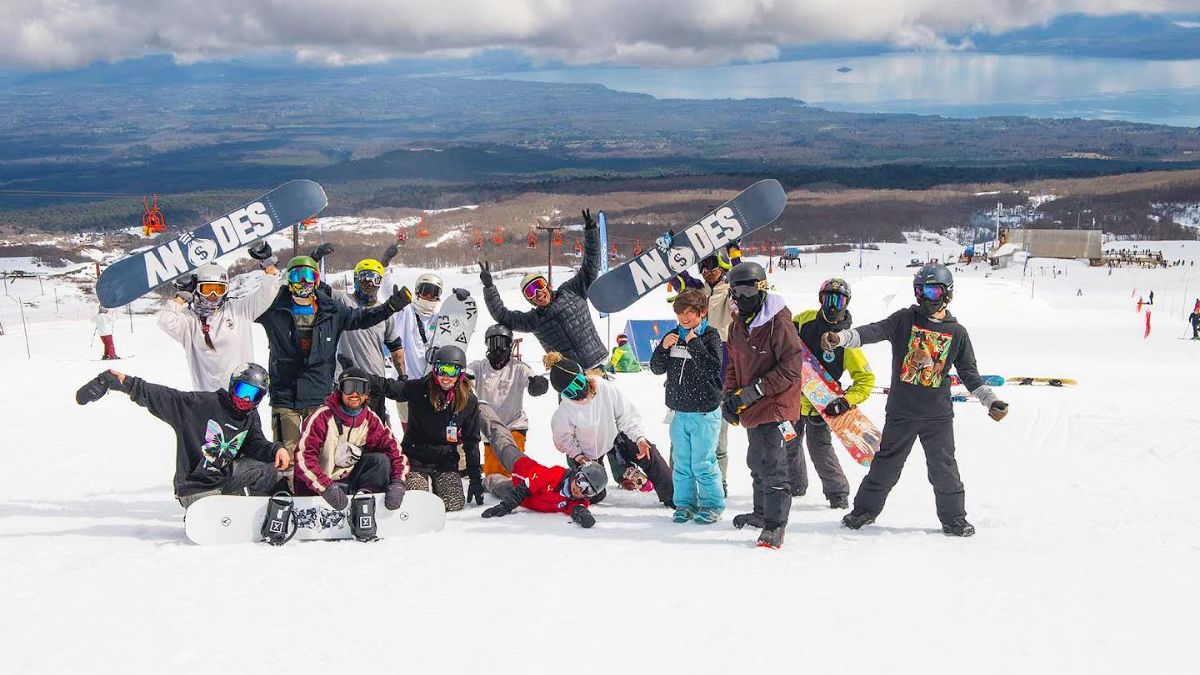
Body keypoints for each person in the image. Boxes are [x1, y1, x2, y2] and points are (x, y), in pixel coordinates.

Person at [822, 264, 1009, 537]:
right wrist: (840, 338)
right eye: (920, 291)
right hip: (902, 412)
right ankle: (864, 510)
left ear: (947, 293)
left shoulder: (957, 333)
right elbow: (873, 331)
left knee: (943, 468)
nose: (925, 298)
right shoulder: (905, 320)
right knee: (886, 466)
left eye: (932, 291)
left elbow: (970, 374)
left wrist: (990, 401)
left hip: (937, 416)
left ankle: (954, 518)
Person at [257, 252, 411, 462]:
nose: (303, 282)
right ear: (288, 280)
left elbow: (363, 317)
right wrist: (268, 269)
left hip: (318, 392)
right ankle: (288, 491)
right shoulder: (274, 307)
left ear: (316, 280)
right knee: (288, 457)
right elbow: (246, 307)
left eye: (308, 277)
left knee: (322, 455)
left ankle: (323, 492)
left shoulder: (331, 310)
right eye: (297, 277)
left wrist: (390, 307)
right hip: (285, 392)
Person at [75, 363, 290, 508]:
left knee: (268, 466)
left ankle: (262, 503)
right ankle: (232, 505)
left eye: (254, 395)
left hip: (223, 479)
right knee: (217, 501)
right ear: (233, 386)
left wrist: (275, 449)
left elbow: (255, 443)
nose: (246, 399)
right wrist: (121, 382)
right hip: (195, 488)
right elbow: (161, 396)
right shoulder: (199, 405)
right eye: (243, 391)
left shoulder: (250, 416)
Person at [721, 261, 804, 549]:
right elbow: (734, 363)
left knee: (773, 466)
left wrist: (754, 390)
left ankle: (775, 524)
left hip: (777, 407)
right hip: (754, 407)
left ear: (761, 288)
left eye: (748, 289)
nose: (742, 297)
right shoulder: (737, 326)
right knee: (757, 461)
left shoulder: (778, 323)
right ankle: (761, 512)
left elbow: (793, 367)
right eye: (736, 291)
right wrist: (730, 395)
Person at [479, 209, 607, 370]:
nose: (537, 293)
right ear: (529, 299)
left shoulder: (571, 291)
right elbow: (502, 315)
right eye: (530, 292)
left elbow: (590, 265)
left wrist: (591, 232)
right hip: (568, 375)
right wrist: (489, 287)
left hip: (596, 364)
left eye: (538, 286)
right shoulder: (533, 321)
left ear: (547, 286)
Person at [546, 352, 674, 508]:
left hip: (613, 439)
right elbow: (563, 438)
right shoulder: (565, 410)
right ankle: (597, 479)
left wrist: (639, 439)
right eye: (569, 392)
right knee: (594, 494)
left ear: (584, 375)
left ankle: (672, 496)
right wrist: (580, 457)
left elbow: (626, 415)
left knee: (648, 451)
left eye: (578, 384)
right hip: (585, 453)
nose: (577, 394)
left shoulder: (604, 388)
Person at [789, 278, 875, 509]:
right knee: (788, 444)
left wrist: (845, 401)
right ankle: (794, 484)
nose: (832, 305)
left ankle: (837, 493)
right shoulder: (803, 320)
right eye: (828, 299)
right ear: (820, 299)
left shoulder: (847, 340)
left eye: (838, 300)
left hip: (823, 405)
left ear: (847, 303)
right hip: (793, 400)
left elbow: (866, 380)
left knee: (820, 450)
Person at [369, 345, 483, 512]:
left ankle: (441, 486)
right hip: (416, 458)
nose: (446, 377)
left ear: (460, 373)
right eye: (441, 370)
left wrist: (475, 479)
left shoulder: (468, 401)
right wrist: (361, 377)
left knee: (453, 505)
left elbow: (471, 441)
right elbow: (389, 387)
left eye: (452, 371)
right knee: (417, 503)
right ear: (434, 370)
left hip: (446, 461)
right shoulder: (419, 388)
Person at [157, 242, 280, 391]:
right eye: (208, 289)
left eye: (219, 289)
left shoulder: (238, 310)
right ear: (197, 289)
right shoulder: (190, 321)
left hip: (241, 396)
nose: (213, 295)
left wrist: (268, 263)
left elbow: (267, 293)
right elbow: (165, 321)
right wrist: (181, 297)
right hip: (207, 399)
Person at [649, 289, 725, 524]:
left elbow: (713, 369)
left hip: (704, 412)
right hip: (678, 412)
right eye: (680, 313)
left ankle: (712, 504)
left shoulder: (711, 336)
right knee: (681, 463)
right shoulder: (673, 335)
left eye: (690, 313)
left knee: (703, 462)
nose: (684, 318)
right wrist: (662, 347)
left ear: (702, 312)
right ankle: (684, 504)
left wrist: (693, 343)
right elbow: (656, 368)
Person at [293, 368, 409, 517]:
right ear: (340, 391)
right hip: (320, 486)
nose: (354, 394)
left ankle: (366, 507)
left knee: (381, 461)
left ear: (367, 394)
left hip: (348, 480)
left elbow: (394, 451)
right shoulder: (322, 417)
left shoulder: (370, 419)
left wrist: (398, 482)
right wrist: (326, 487)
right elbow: (303, 458)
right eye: (349, 387)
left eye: (360, 388)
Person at [667, 247, 737, 494]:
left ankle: (721, 482)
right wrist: (668, 253)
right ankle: (677, 486)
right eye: (705, 269)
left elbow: (747, 278)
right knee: (681, 438)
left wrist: (735, 251)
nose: (709, 273)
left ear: (724, 268)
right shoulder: (695, 290)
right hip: (690, 372)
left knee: (717, 436)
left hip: (721, 367)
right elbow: (676, 276)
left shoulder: (732, 290)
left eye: (714, 268)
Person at [477, 401, 604, 528]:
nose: (579, 489)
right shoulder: (555, 475)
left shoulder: (574, 500)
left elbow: (578, 509)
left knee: (496, 486)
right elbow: (524, 488)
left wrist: (584, 516)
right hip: (521, 467)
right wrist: (505, 506)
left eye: (587, 490)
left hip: (522, 494)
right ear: (577, 473)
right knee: (501, 441)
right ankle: (481, 408)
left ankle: (484, 482)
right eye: (581, 481)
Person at [468, 324, 549, 478]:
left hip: (514, 425)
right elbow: (468, 374)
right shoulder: (479, 367)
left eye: (502, 343)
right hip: (490, 429)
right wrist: (463, 378)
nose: (498, 349)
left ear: (510, 345)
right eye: (493, 343)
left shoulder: (518, 368)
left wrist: (537, 384)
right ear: (487, 345)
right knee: (493, 475)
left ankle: (520, 488)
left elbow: (530, 378)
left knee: (512, 468)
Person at [332, 258, 405, 423]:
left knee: (373, 433)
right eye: (365, 277)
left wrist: (403, 377)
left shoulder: (384, 312)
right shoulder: (344, 301)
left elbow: (396, 348)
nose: (369, 283)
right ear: (356, 278)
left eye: (375, 278)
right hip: (345, 383)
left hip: (374, 383)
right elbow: (318, 289)